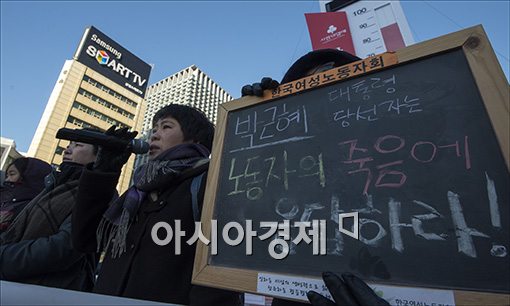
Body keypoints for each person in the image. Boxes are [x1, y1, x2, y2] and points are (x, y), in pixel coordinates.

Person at [242, 49, 390, 306]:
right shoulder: (287, 159)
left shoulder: (397, 149)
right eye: (306, 88)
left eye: (332, 81)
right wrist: (252, 121)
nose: (322, 94)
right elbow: (248, 209)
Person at [72, 104, 243, 305]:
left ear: (195, 139)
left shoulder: (210, 183)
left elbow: (220, 273)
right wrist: (103, 172)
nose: (154, 135)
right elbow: (85, 240)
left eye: (166, 127)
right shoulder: (137, 192)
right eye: (153, 129)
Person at [0, 137, 98, 291]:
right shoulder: (51, 187)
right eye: (68, 145)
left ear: (98, 156)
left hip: (49, 292)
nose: (67, 149)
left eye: (78, 145)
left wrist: (4, 257)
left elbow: (63, 248)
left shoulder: (96, 194)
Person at [1, 157, 52, 232]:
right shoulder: (5, 199)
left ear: (30, 177)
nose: (7, 179)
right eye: (7, 176)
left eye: (12, 174)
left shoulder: (35, 209)